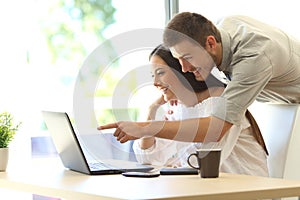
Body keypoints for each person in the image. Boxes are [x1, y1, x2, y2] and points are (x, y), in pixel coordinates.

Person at [98, 12, 300, 144]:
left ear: (211, 43)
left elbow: (215, 130)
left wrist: (145, 128)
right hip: (282, 98)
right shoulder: (223, 26)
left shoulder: (254, 57)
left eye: (187, 58)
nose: (184, 69)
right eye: (179, 59)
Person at [131, 44, 268, 176]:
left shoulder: (222, 103)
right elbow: (148, 159)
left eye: (160, 73)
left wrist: (170, 163)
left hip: (245, 189)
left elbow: (200, 161)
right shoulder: (179, 108)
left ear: (182, 71)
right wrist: (151, 109)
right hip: (206, 187)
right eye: (152, 75)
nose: (155, 82)